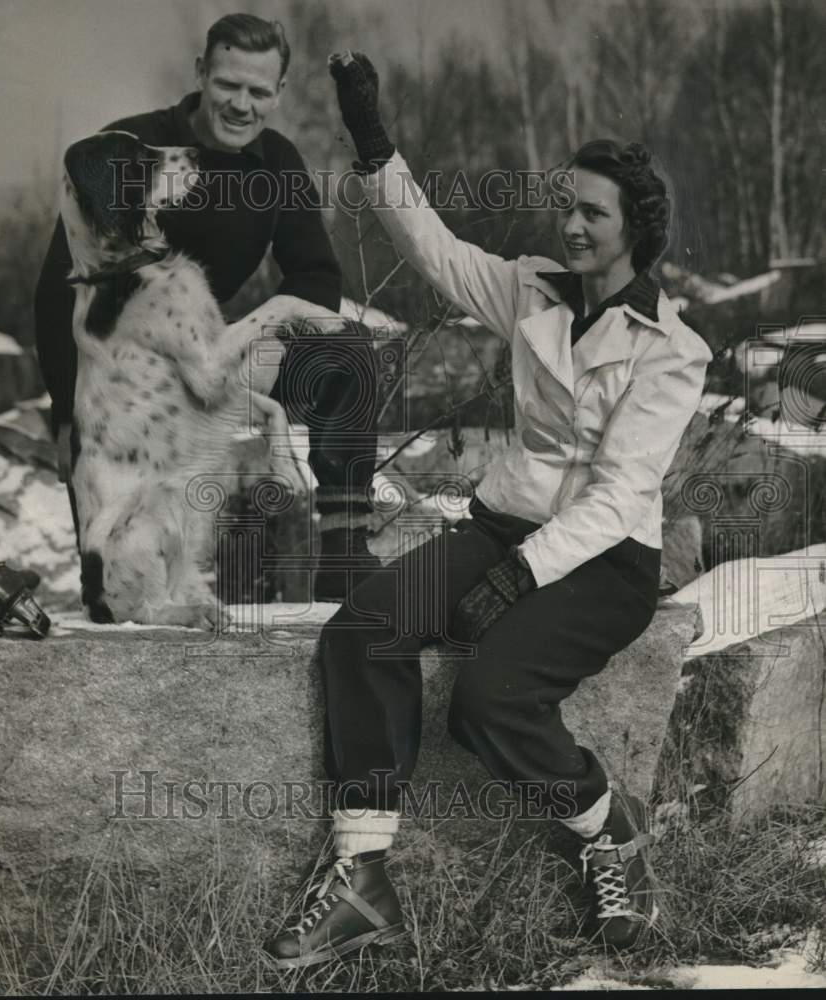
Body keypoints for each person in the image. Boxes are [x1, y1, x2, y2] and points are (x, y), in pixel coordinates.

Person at [262, 52, 713, 968]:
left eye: (594, 212)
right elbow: (434, 250)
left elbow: (624, 492)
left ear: (636, 230)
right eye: (568, 206)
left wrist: (518, 579)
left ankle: (604, 830)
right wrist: (374, 141)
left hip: (605, 561)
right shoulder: (532, 290)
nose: (573, 224)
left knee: (490, 697)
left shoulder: (672, 350)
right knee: (365, 626)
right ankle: (361, 878)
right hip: (502, 529)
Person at [34, 13, 382, 602]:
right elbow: (55, 290)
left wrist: (258, 355)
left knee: (347, 351)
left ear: (278, 93)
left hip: (212, 361)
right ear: (201, 74)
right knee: (121, 592)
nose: (241, 104)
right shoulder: (132, 148)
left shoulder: (277, 162)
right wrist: (66, 415)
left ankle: (345, 553)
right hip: (128, 394)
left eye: (258, 91)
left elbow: (317, 276)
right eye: (228, 85)